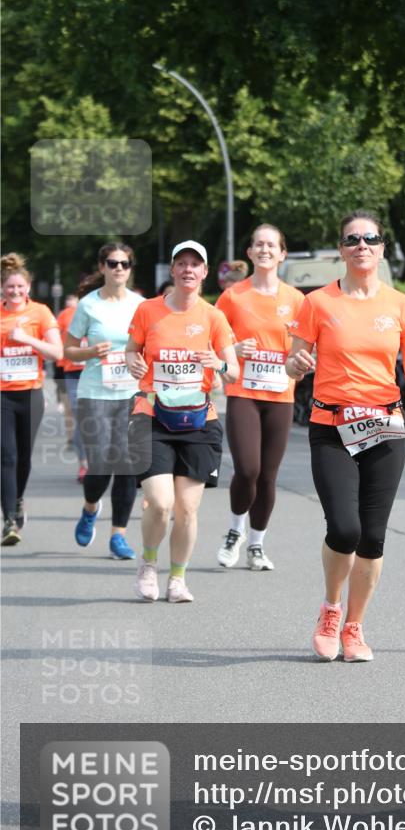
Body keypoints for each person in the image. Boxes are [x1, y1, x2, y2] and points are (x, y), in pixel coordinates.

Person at [286, 211, 405, 662]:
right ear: (341, 249)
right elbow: (295, 362)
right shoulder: (318, 303)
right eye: (353, 239)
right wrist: (297, 366)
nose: (362, 245)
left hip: (385, 427)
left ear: (382, 247)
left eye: (370, 238)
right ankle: (330, 609)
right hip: (332, 427)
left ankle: (354, 627)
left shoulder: (402, 306)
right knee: (344, 528)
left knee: (372, 536)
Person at [126, 240, 239, 603]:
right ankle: (148, 562)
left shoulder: (214, 317)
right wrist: (132, 361)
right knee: (160, 503)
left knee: (187, 509)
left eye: (196, 264)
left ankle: (177, 579)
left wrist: (216, 364)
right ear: (172, 271)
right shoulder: (148, 311)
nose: (188, 270)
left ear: (205, 273)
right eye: (182, 264)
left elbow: (234, 372)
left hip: (198, 420)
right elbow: (131, 350)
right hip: (152, 416)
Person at [215, 225, 304, 571]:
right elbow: (214, 343)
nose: (265, 250)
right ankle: (235, 531)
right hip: (243, 392)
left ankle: (257, 544)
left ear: (282, 253)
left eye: (272, 245)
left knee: (268, 475)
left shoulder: (297, 300)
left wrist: (299, 362)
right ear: (249, 253)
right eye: (258, 245)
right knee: (247, 469)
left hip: (281, 395)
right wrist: (233, 351)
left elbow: (305, 348)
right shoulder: (233, 297)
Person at [64, 244, 143, 559]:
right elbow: (68, 350)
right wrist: (89, 352)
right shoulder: (88, 305)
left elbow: (150, 345)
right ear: (102, 267)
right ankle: (90, 508)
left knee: (126, 466)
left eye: (125, 264)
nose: (119, 269)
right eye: (113, 263)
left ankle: (118, 536)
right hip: (96, 391)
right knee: (100, 465)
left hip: (130, 392)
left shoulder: (142, 305)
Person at [1, 253, 62, 545]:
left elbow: (57, 353)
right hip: (2, 394)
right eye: (9, 287)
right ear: (2, 288)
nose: (15, 292)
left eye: (19, 287)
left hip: (30, 394)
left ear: (28, 287)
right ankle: (10, 519)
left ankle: (19, 498)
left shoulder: (40, 313)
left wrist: (26, 339)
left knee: (24, 457)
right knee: (6, 455)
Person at [57, 293, 87, 483]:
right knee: (81, 416)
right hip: (73, 372)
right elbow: (59, 342)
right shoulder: (66, 315)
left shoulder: (103, 312)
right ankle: (84, 463)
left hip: (98, 372)